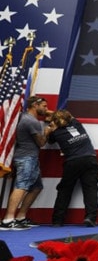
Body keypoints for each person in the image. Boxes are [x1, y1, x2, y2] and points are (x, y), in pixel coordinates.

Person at [0, 96, 52, 230]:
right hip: (26, 158)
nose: (46, 109)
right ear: (35, 105)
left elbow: (49, 113)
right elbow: (41, 143)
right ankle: (8, 219)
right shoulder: (31, 122)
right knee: (21, 186)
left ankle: (21, 217)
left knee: (36, 187)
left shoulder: (25, 117)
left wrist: (48, 113)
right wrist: (47, 132)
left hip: (29, 158)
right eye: (44, 106)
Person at [47, 109, 98, 227]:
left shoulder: (55, 134)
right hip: (90, 158)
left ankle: (57, 220)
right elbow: (69, 117)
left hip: (72, 161)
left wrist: (51, 126)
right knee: (90, 189)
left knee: (64, 191)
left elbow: (49, 141)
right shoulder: (77, 124)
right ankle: (91, 217)